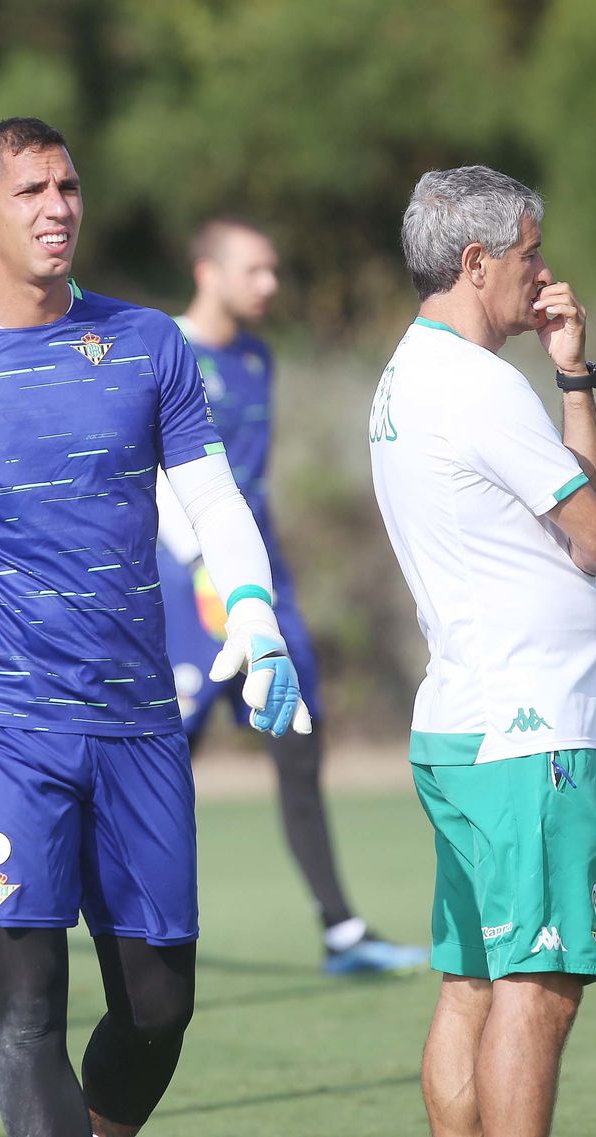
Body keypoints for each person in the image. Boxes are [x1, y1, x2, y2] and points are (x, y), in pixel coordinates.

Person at [0, 117, 310, 1137]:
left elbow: (212, 501)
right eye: (30, 190)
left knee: (160, 1007)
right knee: (27, 1010)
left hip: (135, 720)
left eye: (68, 187)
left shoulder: (146, 342)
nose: (57, 207)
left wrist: (254, 616)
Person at [369, 166, 596, 1136]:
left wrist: (570, 373)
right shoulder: (476, 388)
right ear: (475, 262)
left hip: (461, 721)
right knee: (541, 979)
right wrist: (554, 389)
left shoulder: (410, 371)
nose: (542, 271)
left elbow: (575, 508)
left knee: (472, 978)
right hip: (527, 728)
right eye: (527, 253)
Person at [156, 217, 429, 976]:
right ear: (207, 270)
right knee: (163, 759)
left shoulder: (256, 357)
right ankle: (123, 918)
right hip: (184, 583)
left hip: (261, 582)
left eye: (275, 270)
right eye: (255, 270)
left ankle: (343, 932)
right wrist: (198, 567)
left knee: (299, 741)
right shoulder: (162, 347)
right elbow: (153, 474)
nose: (270, 285)